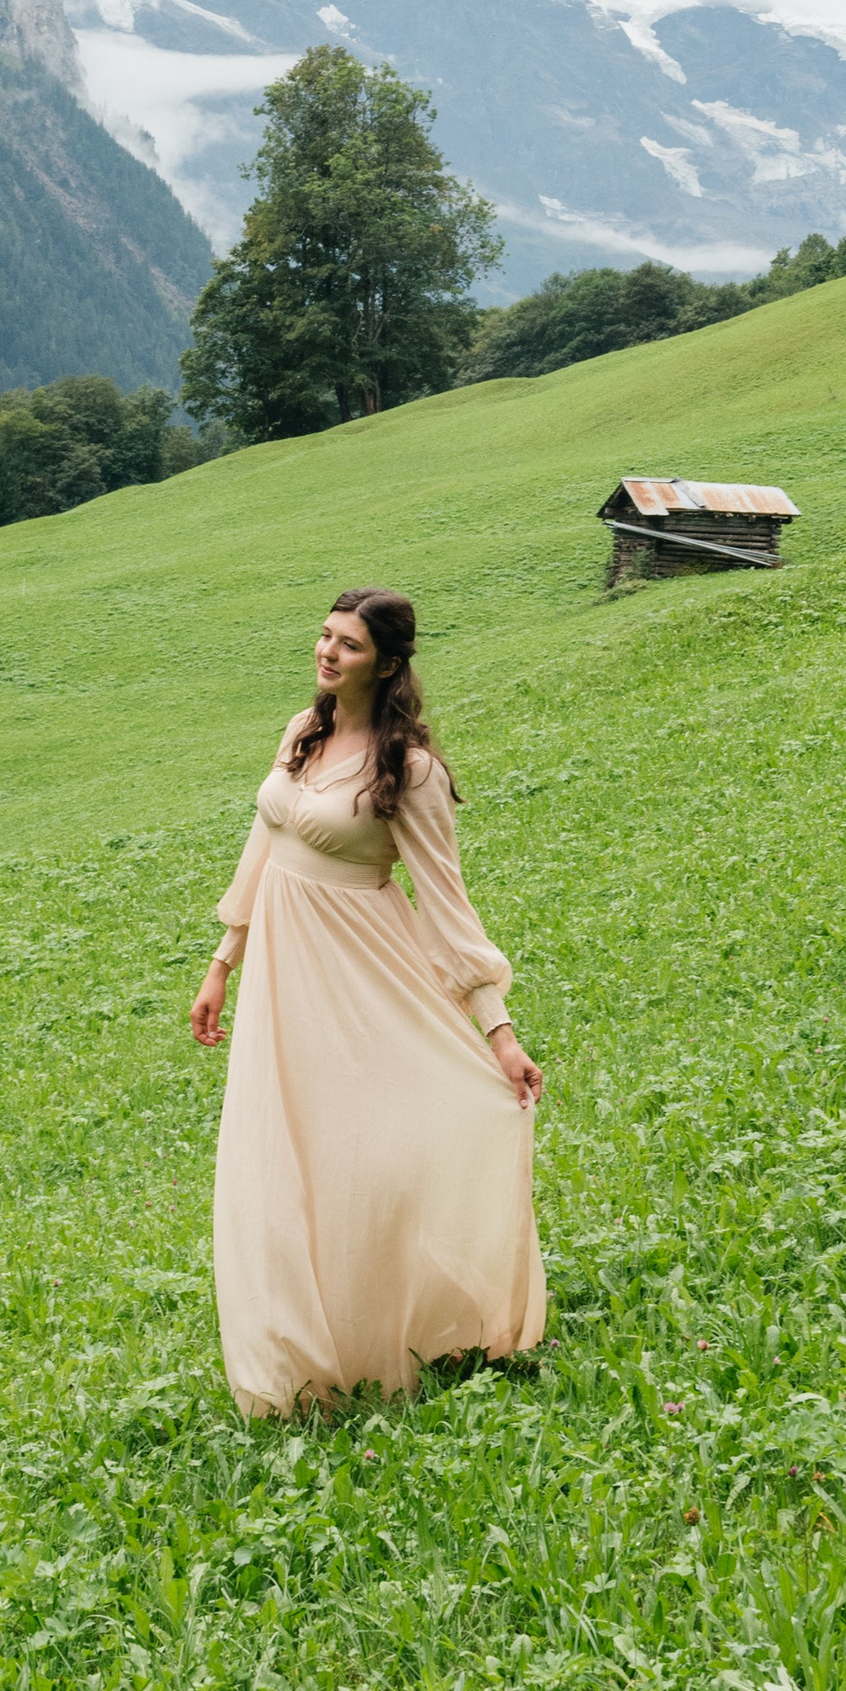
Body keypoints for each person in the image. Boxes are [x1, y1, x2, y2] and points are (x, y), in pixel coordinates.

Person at [190, 586, 546, 1416]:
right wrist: (222, 961)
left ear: (386, 664)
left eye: (346, 645)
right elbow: (264, 848)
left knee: (371, 1152)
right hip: (284, 972)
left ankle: (413, 1323)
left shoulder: (410, 770)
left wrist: (497, 1030)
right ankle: (300, 1359)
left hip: (362, 976)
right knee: (288, 1156)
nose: (326, 653)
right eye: (323, 637)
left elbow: (447, 908)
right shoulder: (301, 731)